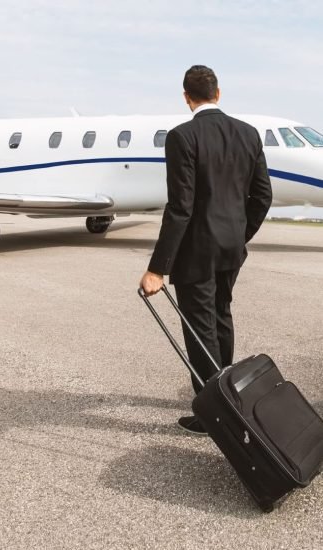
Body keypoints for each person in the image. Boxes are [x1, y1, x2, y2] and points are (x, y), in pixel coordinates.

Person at [140, 65, 272, 434]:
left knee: (200, 329)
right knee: (221, 317)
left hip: (197, 250)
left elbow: (180, 206)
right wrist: (240, 234)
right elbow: (262, 196)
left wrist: (157, 268)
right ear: (218, 93)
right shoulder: (248, 134)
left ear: (186, 96)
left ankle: (213, 414)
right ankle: (226, 395)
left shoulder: (183, 136)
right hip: (231, 248)